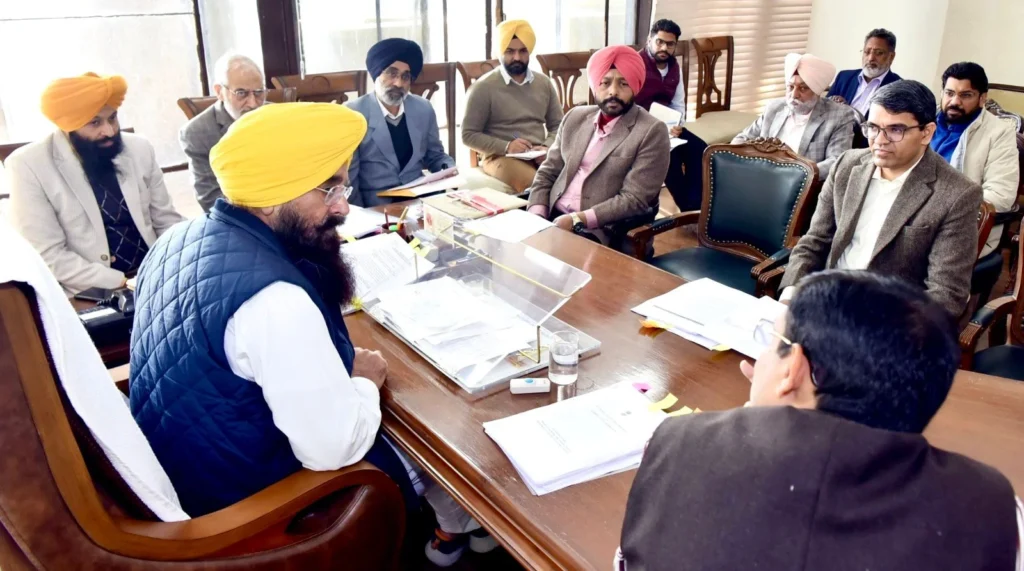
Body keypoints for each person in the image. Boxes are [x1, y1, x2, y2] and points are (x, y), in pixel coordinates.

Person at [128, 103, 494, 567]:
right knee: (452, 435)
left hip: (197, 471)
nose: (342, 206)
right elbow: (335, 448)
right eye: (328, 190)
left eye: (343, 186)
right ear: (269, 197)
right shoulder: (274, 300)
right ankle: (464, 528)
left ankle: (457, 528)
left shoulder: (177, 238)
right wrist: (364, 380)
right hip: (258, 515)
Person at [617, 270, 1020, 570]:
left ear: (793, 367)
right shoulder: (993, 506)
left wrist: (755, 418)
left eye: (771, 341)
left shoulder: (676, 445)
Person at [779, 80, 983, 317]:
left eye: (895, 130)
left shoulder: (957, 194)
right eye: (873, 127)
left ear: (926, 133)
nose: (880, 140)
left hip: (889, 320)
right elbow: (814, 241)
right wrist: (789, 299)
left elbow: (946, 293)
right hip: (825, 300)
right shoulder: (847, 165)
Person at [7, 72, 183, 295]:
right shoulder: (28, 165)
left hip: (159, 275)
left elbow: (167, 221)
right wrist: (123, 282)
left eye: (112, 118)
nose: (109, 131)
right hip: (91, 292)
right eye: (95, 123)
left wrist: (177, 264)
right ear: (69, 125)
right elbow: (49, 255)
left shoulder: (139, 148)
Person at [527, 46, 670, 250]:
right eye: (605, 82)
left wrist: (577, 220)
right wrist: (537, 215)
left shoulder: (652, 131)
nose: (613, 91)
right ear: (595, 85)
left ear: (635, 86)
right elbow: (548, 171)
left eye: (623, 83)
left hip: (601, 231)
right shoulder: (575, 117)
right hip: (550, 217)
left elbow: (634, 199)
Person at [347, 38, 455, 207]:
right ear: (376, 74)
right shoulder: (353, 115)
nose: (398, 83)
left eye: (405, 76)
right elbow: (349, 178)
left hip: (420, 199)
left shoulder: (423, 108)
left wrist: (448, 168)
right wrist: (360, 217)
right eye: (392, 73)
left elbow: (435, 155)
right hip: (376, 205)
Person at [461, 19, 564, 193]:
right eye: (510, 51)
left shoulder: (544, 83)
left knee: (576, 178)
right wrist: (507, 146)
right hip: (500, 156)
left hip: (539, 153)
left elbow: (559, 125)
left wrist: (547, 147)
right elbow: (468, 135)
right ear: (500, 51)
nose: (517, 57)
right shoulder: (483, 87)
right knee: (537, 184)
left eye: (523, 51)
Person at [932, 62, 1020, 257]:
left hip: (960, 228)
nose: (955, 102)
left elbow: (1001, 195)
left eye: (966, 95)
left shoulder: (999, 133)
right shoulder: (924, 120)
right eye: (949, 93)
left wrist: (941, 208)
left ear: (982, 98)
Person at [732, 53, 856, 179]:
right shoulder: (774, 107)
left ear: (817, 91)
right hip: (759, 175)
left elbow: (836, 161)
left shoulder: (839, 115)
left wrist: (799, 173)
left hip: (801, 183)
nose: (794, 94)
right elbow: (742, 138)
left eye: (803, 88)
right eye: (790, 87)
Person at [633, 18, 709, 212]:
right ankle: (688, 208)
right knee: (670, 157)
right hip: (639, 129)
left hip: (669, 128)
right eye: (659, 42)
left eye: (670, 44)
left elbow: (678, 103)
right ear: (649, 40)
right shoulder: (636, 64)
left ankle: (697, 206)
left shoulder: (675, 67)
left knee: (701, 149)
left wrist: (678, 125)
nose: (664, 48)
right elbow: (628, 105)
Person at [180, 53, 268, 212]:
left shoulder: (277, 115)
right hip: (240, 218)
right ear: (219, 91)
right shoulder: (197, 133)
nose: (253, 103)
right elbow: (211, 199)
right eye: (241, 93)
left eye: (259, 92)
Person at [828, 28, 902, 119]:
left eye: (879, 53)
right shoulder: (844, 77)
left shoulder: (898, 89)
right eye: (867, 52)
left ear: (891, 57)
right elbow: (823, 110)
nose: (871, 58)